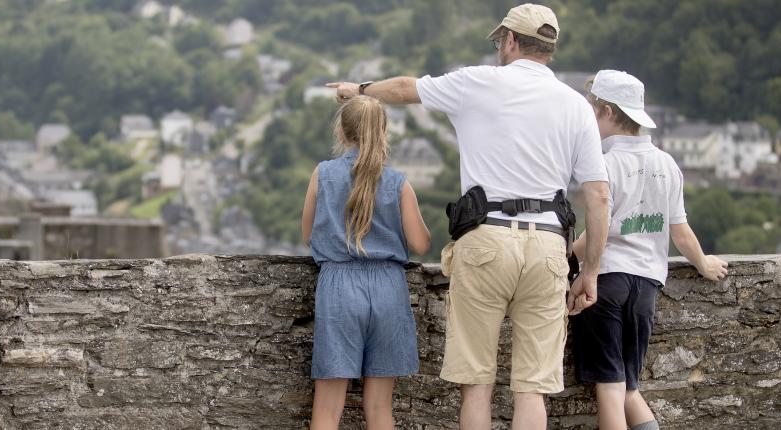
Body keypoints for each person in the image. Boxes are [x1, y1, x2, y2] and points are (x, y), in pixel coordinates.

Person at [328, 4, 611, 429]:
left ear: (511, 41)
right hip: (549, 244)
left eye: (500, 40)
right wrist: (589, 273)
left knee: (476, 382)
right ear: (548, 48)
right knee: (532, 389)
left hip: (486, 238)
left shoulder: (476, 83)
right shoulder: (575, 107)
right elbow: (599, 198)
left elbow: (407, 88)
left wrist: (360, 89)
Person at [567, 70, 729, 430]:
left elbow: (600, 228)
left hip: (607, 283)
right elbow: (681, 231)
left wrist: (570, 256)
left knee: (609, 388)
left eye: (592, 111)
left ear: (607, 111)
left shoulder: (605, 163)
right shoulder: (666, 163)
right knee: (629, 387)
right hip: (646, 288)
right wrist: (703, 264)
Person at [301, 95, 432, 430]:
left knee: (328, 409)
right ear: (383, 132)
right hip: (388, 289)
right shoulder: (399, 183)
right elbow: (420, 244)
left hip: (339, 289)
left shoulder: (323, 174)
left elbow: (308, 235)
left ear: (343, 134)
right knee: (379, 408)